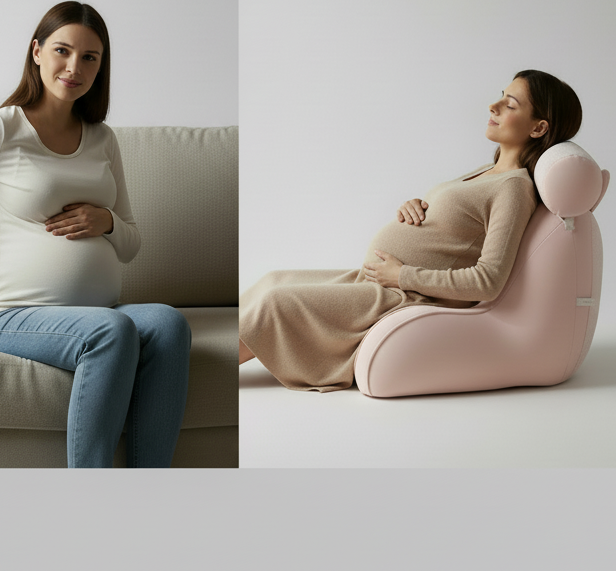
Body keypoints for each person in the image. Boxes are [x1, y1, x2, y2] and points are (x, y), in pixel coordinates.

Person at [0, 0, 191, 467]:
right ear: (37, 52)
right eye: (63, 51)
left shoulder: (103, 138)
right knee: (112, 330)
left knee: (169, 323)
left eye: (90, 57)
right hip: (10, 314)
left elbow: (131, 245)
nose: (74, 67)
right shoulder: (3, 128)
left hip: (93, 310)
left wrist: (106, 221)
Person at [239, 69, 583, 393]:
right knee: (274, 280)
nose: (493, 106)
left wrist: (403, 275)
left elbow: (488, 281)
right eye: (501, 97)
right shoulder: (489, 172)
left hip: (402, 295)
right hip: (377, 279)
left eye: (510, 105)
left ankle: (202, 369)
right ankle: (203, 349)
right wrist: (417, 205)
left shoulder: (513, 189)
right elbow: (458, 226)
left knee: (275, 304)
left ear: (538, 128)